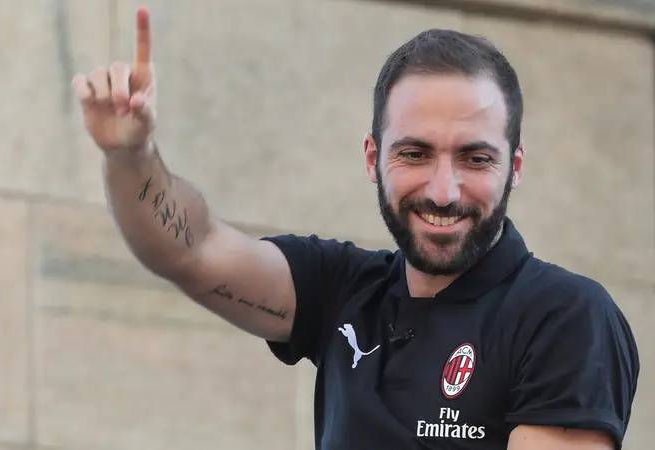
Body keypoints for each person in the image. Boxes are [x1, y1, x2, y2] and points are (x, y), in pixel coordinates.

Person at [71, 5, 639, 449]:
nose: (444, 191)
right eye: (415, 154)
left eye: (475, 158)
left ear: (514, 166)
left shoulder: (564, 316)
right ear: (373, 158)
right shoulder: (343, 291)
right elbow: (192, 253)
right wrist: (131, 156)